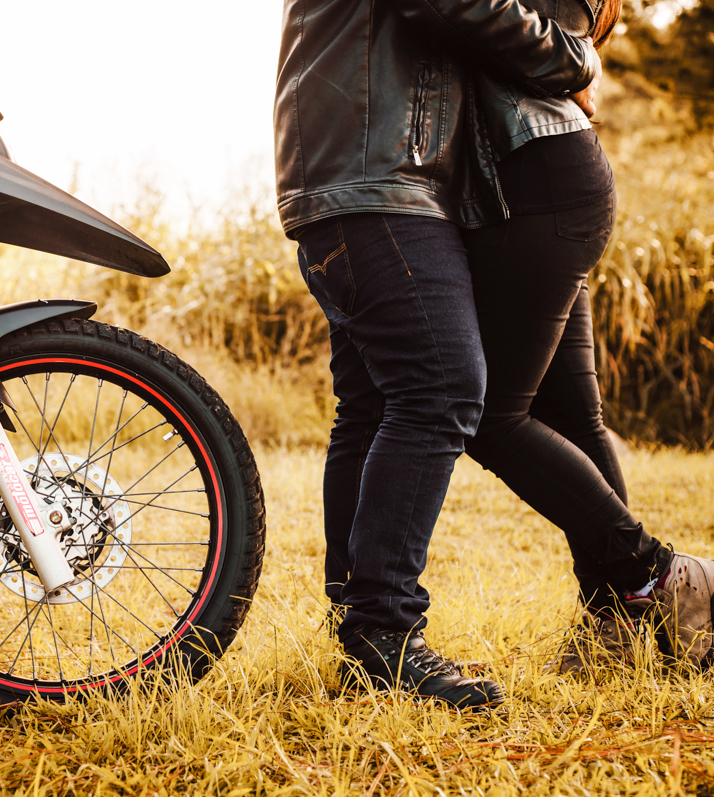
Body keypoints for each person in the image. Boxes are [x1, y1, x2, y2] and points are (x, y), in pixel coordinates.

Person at [275, 0, 600, 710]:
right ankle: (385, 633)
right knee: (442, 388)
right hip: (380, 174)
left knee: (370, 407)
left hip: (356, 173)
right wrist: (576, 56)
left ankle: (364, 635)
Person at [458, 0, 714, 675]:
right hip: (552, 173)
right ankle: (623, 624)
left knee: (489, 416)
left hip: (539, 179)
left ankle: (663, 573)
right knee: (573, 416)